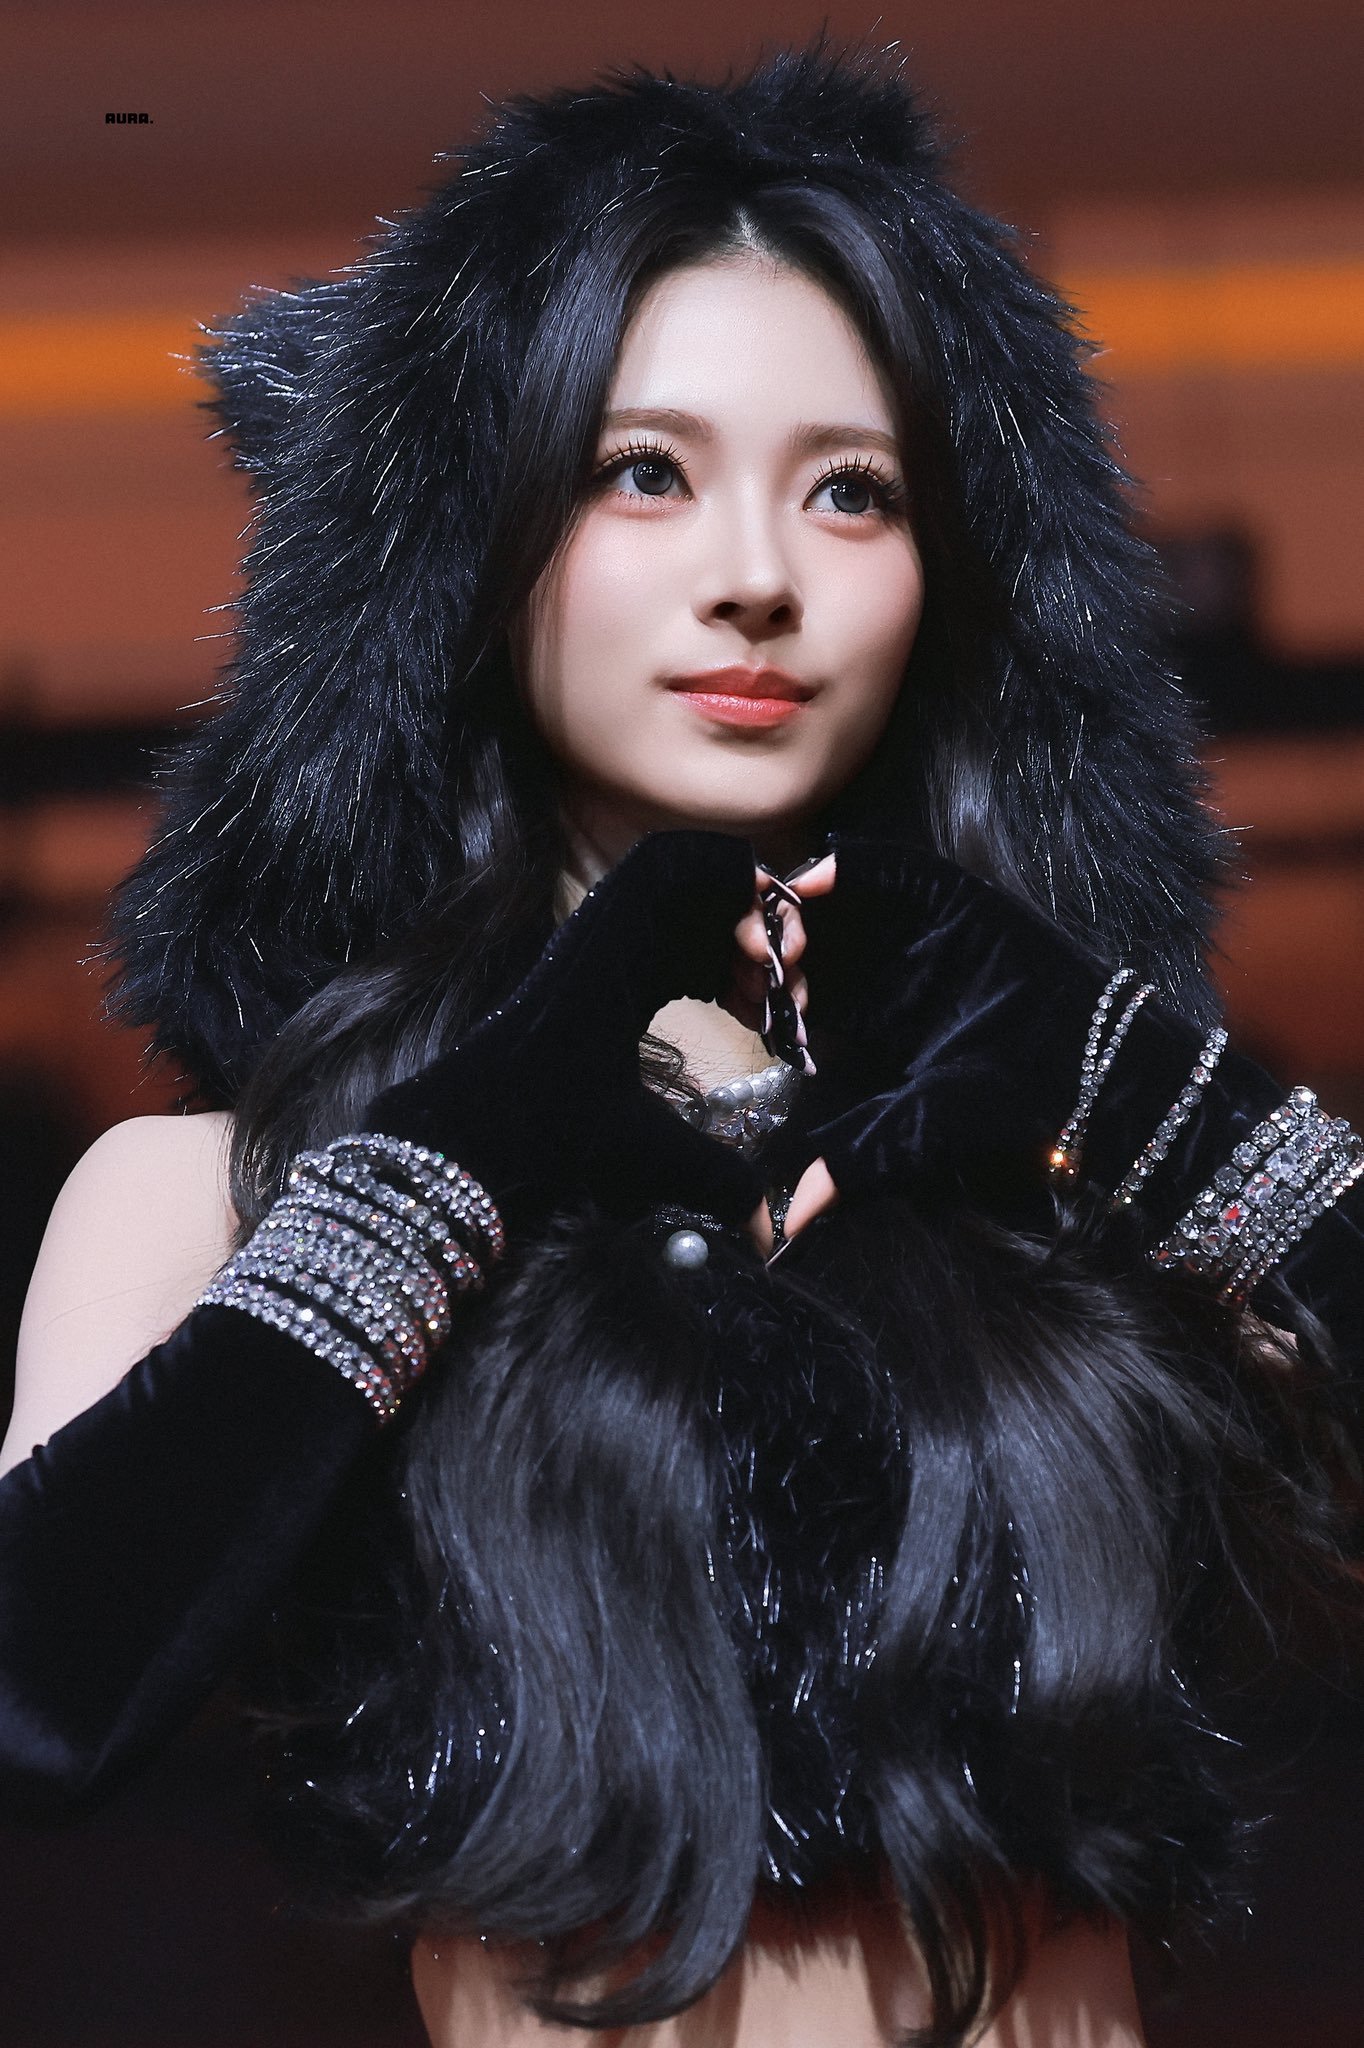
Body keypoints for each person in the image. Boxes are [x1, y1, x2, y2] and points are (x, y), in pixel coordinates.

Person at [4, 43, 1363, 2048]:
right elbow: (39, 1688)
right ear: (470, 542)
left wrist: (1137, 1082)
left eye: (852, 489)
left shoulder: (1066, 1157)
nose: (757, 575)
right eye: (642, 470)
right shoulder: (223, 1189)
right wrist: (480, 1134)